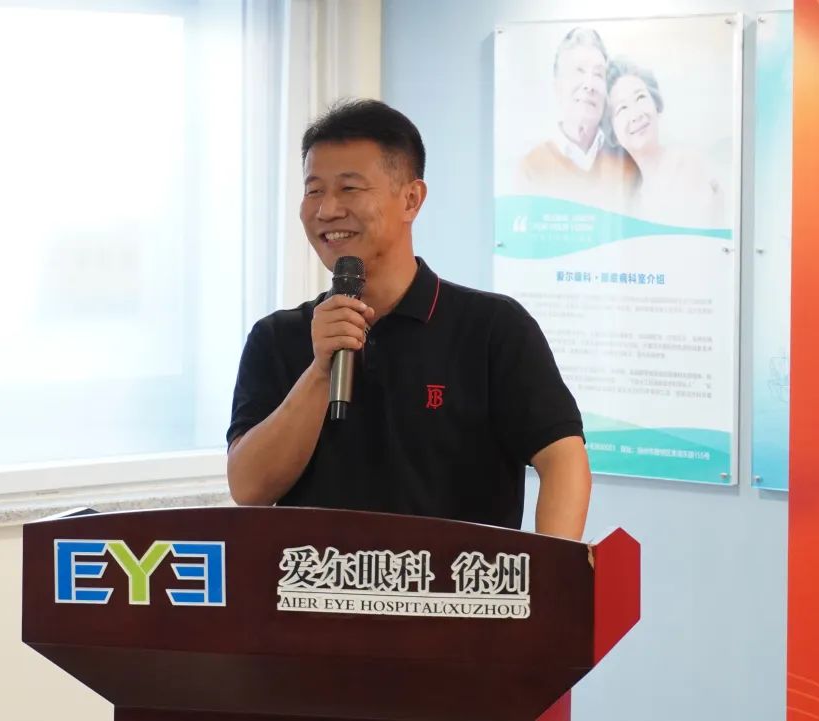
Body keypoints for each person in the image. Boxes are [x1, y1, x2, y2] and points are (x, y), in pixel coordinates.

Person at [227, 99, 591, 539]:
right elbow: (249, 489)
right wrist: (320, 370)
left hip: (456, 581)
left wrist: (551, 568)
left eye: (349, 188)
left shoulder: (493, 328)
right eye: (314, 190)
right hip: (319, 580)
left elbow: (563, 458)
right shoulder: (276, 337)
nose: (326, 210)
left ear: (411, 199)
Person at [518, 27, 634, 208]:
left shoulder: (626, 164)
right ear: (557, 87)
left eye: (598, 74)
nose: (589, 85)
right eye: (579, 71)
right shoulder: (531, 168)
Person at [606, 57, 725, 227]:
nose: (636, 115)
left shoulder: (688, 165)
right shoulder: (630, 196)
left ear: (656, 105)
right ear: (613, 131)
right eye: (622, 108)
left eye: (640, 97)